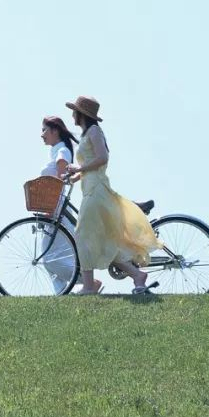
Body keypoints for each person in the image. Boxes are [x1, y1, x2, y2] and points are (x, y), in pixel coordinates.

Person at [64, 96, 162, 295]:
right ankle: (136, 275)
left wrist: (79, 167)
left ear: (81, 114)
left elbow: (102, 158)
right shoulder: (87, 134)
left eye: (74, 111)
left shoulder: (94, 131)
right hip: (90, 189)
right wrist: (74, 176)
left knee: (82, 235)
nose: (72, 114)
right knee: (104, 239)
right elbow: (92, 165)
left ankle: (90, 286)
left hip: (96, 191)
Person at [38, 116, 80, 294]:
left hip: (56, 208)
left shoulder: (61, 150)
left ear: (55, 131)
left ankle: (86, 279)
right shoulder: (57, 150)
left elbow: (62, 172)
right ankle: (65, 291)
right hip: (54, 207)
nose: (42, 135)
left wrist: (51, 203)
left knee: (49, 257)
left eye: (44, 130)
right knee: (50, 256)